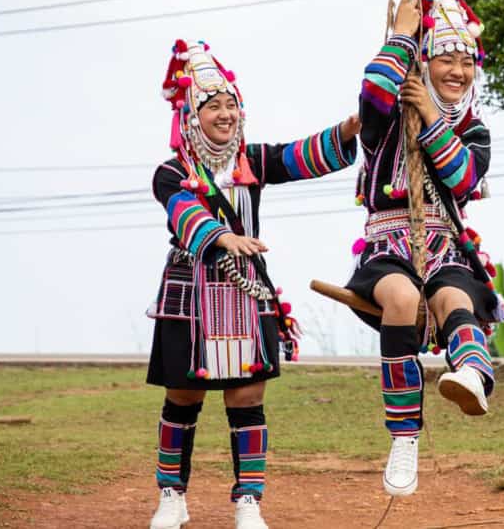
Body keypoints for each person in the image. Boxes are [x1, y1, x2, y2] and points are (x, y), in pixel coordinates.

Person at [146, 39, 359, 529]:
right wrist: (222, 237)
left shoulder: (253, 161)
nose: (225, 114)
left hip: (245, 292)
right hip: (190, 290)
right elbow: (184, 213)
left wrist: (347, 130)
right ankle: (172, 496)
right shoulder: (171, 172)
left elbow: (299, 156)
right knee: (183, 398)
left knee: (247, 400)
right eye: (214, 106)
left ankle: (249, 502)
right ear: (191, 116)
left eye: (231, 105)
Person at [345, 0, 504, 497]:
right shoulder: (386, 118)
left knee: (456, 298)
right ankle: (404, 436)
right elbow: (372, 89)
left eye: (467, 61)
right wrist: (401, 34)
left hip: (445, 247)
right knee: (403, 297)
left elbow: (461, 179)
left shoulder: (475, 130)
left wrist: (432, 118)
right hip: (389, 247)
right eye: (445, 58)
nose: (458, 70)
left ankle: (475, 378)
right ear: (424, 62)